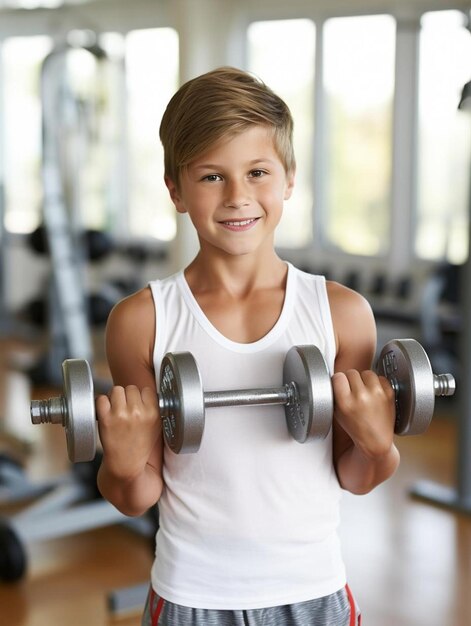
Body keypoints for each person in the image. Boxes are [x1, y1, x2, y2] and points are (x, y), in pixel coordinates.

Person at [96, 66, 400, 626]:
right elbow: (136, 494)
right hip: (191, 593)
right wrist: (118, 463)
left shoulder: (341, 313)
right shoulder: (141, 320)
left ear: (288, 179)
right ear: (175, 190)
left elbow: (355, 475)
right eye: (212, 177)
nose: (239, 197)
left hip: (313, 589)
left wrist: (380, 446)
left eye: (257, 172)